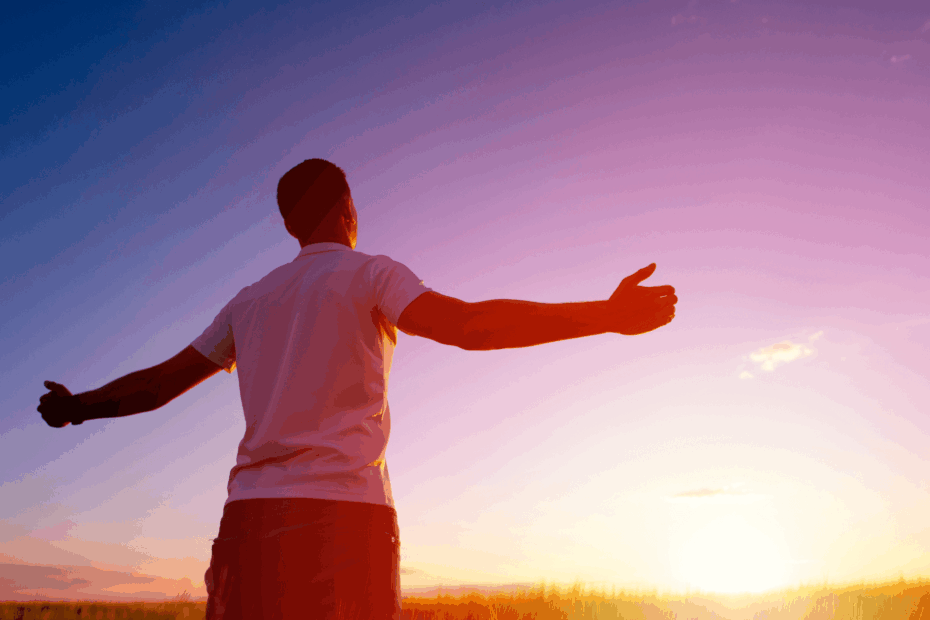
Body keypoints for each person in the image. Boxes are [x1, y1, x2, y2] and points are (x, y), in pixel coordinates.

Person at [37, 158, 677, 619]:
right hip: (343, 522)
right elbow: (470, 326)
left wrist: (76, 409)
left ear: (290, 224)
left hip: (250, 521)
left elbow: (159, 385)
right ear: (348, 207)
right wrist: (604, 315)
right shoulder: (373, 276)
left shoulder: (249, 301)